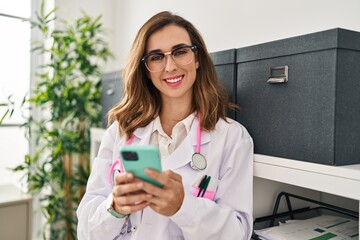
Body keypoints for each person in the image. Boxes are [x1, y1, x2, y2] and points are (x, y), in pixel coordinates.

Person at [77, 11, 254, 240]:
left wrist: (184, 207)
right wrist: (115, 207)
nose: (170, 66)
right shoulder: (121, 133)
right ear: (146, 70)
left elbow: (238, 233)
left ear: (197, 58)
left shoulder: (232, 138)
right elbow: (86, 232)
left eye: (180, 52)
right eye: (156, 57)